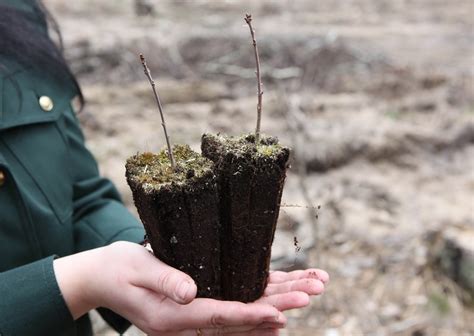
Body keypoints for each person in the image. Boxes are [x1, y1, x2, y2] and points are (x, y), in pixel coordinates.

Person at [0, 1, 329, 335]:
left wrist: (154, 275)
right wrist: (77, 282)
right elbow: (85, 272)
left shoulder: (16, 14)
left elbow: (82, 200)